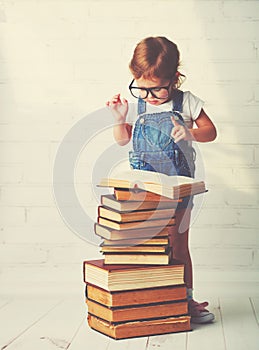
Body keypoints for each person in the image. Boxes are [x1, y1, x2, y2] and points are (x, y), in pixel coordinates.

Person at [106, 36, 217, 324]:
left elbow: (211, 132)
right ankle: (150, 300)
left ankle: (185, 298)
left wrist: (190, 133)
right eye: (143, 89)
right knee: (145, 247)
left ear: (175, 79)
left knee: (179, 245)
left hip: (178, 188)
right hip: (142, 192)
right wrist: (119, 119)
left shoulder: (187, 102)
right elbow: (121, 141)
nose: (151, 96)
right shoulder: (138, 105)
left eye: (158, 89)